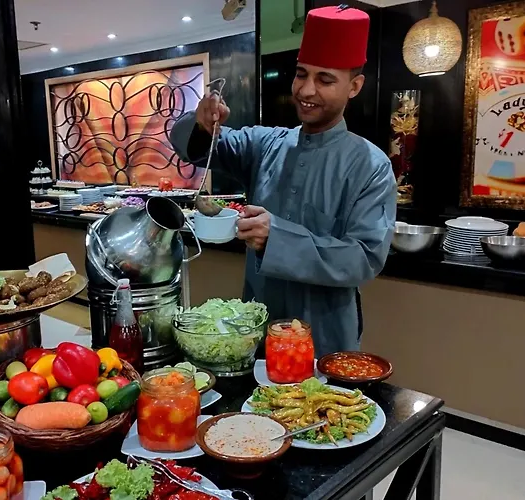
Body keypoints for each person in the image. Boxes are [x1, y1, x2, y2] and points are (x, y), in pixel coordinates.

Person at [170, 6, 397, 355]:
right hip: (256, 329)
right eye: (301, 74)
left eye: (325, 80)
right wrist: (203, 123)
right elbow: (196, 148)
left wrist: (277, 238)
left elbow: (363, 259)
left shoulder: (371, 165)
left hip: (325, 339)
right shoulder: (266, 144)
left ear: (354, 86)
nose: (306, 89)